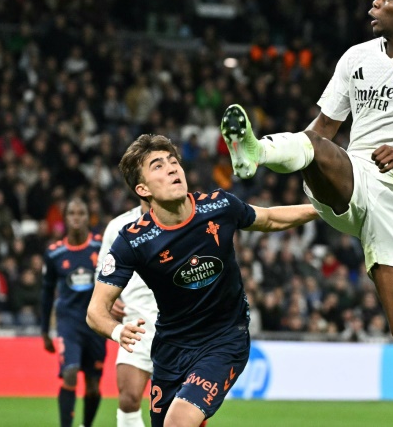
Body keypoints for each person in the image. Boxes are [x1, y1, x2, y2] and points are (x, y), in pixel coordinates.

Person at [220, 0, 393, 362]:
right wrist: (289, 156)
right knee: (315, 143)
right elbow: (323, 128)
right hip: (352, 181)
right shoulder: (355, 57)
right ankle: (257, 151)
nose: (376, 1)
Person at [87, 134, 317, 427]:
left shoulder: (218, 206)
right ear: (142, 189)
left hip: (224, 338)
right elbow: (95, 311)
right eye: (158, 165)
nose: (172, 168)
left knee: (179, 422)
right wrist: (119, 331)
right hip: (171, 347)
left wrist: (323, 210)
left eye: (173, 162)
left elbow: (270, 218)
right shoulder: (133, 240)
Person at [42, 197, 106, 427]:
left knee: (93, 386)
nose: (76, 217)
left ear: (88, 217)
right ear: (66, 218)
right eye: (72, 213)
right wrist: (44, 332)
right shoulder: (54, 253)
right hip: (68, 323)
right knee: (70, 371)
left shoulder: (101, 247)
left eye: (81, 213)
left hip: (96, 323)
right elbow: (47, 293)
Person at [96, 199, 153, 427]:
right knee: (128, 399)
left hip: (178, 323)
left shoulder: (184, 220)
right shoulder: (119, 226)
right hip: (136, 323)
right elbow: (102, 268)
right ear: (140, 186)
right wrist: (111, 299)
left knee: (181, 405)